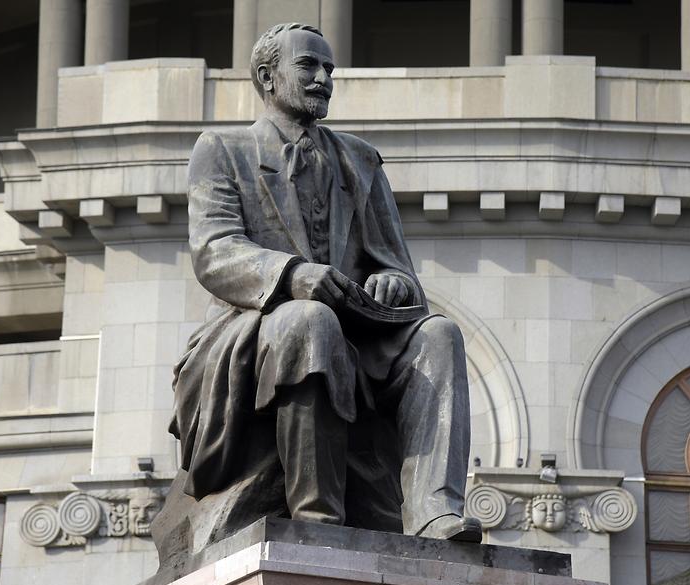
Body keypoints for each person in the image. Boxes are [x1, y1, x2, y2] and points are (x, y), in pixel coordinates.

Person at [169, 22, 481, 542]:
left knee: (439, 336)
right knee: (308, 321)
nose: (324, 79)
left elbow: (395, 264)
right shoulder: (223, 149)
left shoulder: (359, 159)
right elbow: (214, 252)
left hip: (358, 335)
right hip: (250, 333)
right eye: (308, 66)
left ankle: (433, 512)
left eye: (330, 69)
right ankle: (318, 516)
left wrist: (391, 283)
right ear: (268, 77)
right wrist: (292, 275)